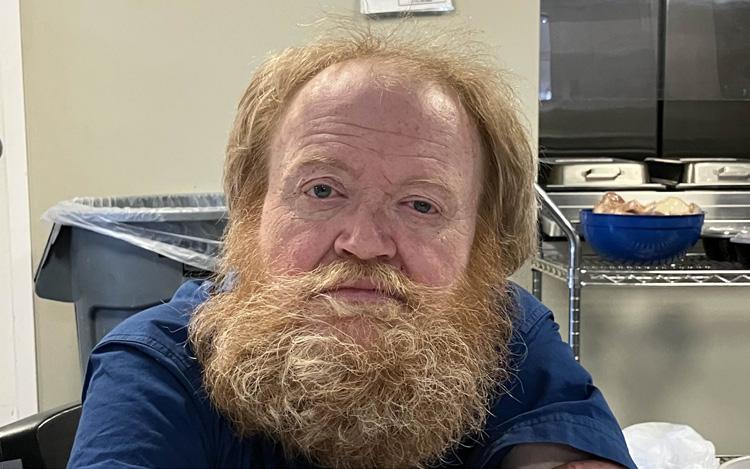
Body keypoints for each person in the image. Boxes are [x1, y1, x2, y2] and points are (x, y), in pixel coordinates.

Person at [68, 22, 636, 469]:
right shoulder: (157, 367)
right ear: (251, 210)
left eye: (421, 205)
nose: (363, 243)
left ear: (481, 244)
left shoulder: (507, 335)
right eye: (322, 190)